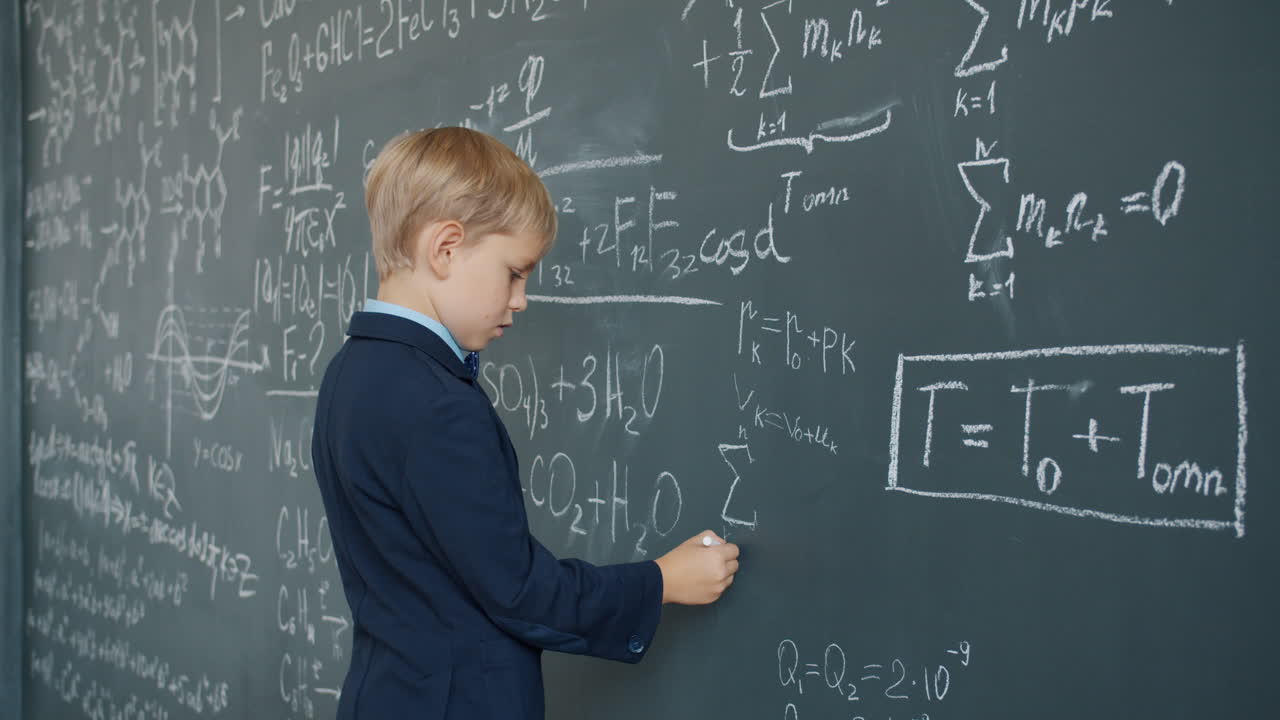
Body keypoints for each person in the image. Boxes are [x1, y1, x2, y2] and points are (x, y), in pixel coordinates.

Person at [311, 126, 740, 719]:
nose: (521, 300)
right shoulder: (437, 404)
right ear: (446, 248)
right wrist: (660, 581)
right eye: (514, 272)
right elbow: (518, 591)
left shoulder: (350, 371)